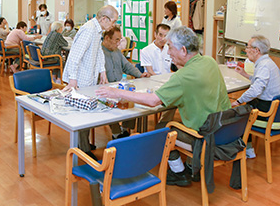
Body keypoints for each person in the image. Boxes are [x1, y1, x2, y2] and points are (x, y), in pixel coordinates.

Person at [96, 26, 231, 186]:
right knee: (168, 122)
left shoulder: (182, 76)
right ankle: (190, 166)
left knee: (162, 131)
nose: (168, 52)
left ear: (183, 50)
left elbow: (153, 101)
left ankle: (179, 173)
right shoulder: (210, 61)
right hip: (223, 130)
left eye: (170, 47)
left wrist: (117, 92)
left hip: (203, 137)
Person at [62, 5, 119, 159]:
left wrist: (102, 71)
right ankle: (83, 150)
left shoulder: (97, 30)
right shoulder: (88, 30)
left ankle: (84, 145)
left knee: (86, 113)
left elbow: (98, 52)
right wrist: (73, 80)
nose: (114, 25)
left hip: (88, 77)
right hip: (79, 79)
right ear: (104, 19)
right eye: (113, 21)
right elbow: (75, 56)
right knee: (82, 116)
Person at [231, 34, 280, 158]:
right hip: (274, 104)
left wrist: (238, 101)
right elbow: (260, 82)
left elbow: (256, 90)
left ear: (257, 51)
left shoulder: (264, 65)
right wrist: (245, 74)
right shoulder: (266, 62)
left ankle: (247, 149)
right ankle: (245, 145)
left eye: (248, 47)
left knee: (240, 113)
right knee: (246, 106)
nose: (246, 50)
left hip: (268, 108)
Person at [101, 26, 149, 139]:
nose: (119, 43)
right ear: (107, 38)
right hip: (105, 90)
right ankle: (117, 133)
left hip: (119, 87)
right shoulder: (99, 53)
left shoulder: (117, 52)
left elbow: (127, 66)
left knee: (133, 98)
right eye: (117, 40)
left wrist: (140, 75)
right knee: (109, 104)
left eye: (120, 39)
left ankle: (125, 129)